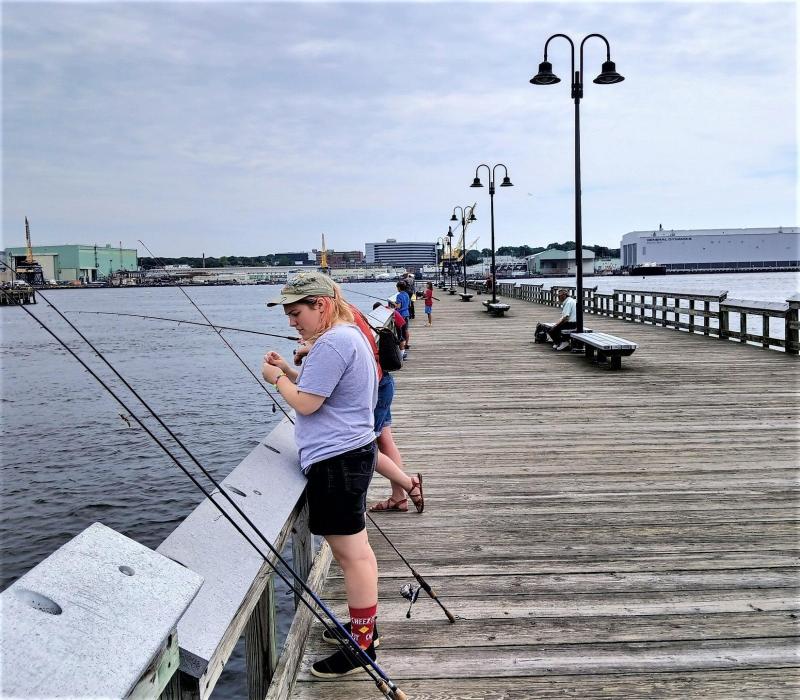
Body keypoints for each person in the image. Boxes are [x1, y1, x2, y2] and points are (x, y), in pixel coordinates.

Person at [262, 272, 380, 678]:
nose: (292, 322)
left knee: (353, 557)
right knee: (357, 552)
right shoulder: (348, 336)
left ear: (321, 305)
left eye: (297, 313)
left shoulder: (331, 343)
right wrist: (290, 372)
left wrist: (277, 378)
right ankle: (364, 627)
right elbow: (320, 390)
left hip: (338, 462)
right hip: (350, 455)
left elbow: (308, 405)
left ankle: (363, 646)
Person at [395, 281, 411, 359]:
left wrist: (394, 304)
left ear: (399, 288)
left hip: (401, 315)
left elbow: (398, 306)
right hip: (407, 313)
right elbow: (408, 304)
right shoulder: (407, 294)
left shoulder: (399, 296)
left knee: (400, 333)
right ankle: (406, 344)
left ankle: (402, 351)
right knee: (406, 330)